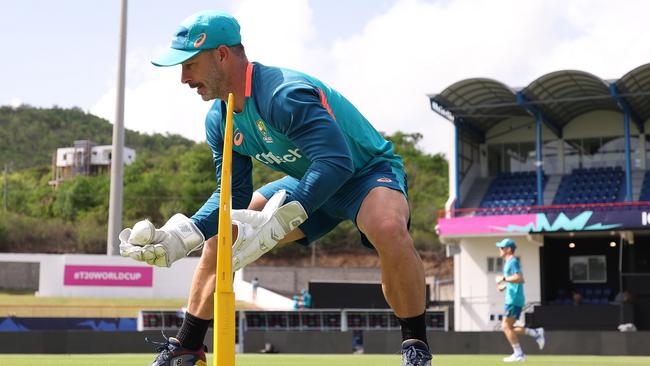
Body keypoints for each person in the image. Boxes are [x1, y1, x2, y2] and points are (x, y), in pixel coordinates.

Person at [117, 10, 431, 366]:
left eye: (189, 64)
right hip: (309, 178)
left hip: (365, 173)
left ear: (221, 55)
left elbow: (337, 162)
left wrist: (281, 219)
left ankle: (415, 347)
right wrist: (181, 234)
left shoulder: (283, 94)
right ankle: (187, 348)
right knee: (222, 237)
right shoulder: (219, 119)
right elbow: (231, 197)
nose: (184, 78)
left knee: (386, 227)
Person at [495, 238, 545, 363]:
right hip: (513, 298)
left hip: (513, 299)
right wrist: (504, 286)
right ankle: (535, 333)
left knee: (505, 326)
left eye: (502, 247)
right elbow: (515, 281)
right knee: (509, 327)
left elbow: (519, 278)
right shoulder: (509, 262)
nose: (499, 249)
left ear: (509, 249)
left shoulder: (512, 261)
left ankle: (519, 354)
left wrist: (504, 279)